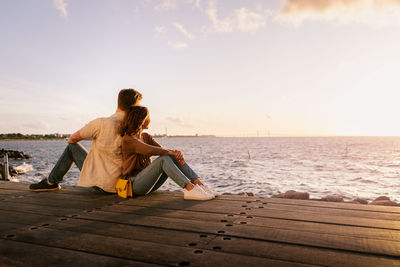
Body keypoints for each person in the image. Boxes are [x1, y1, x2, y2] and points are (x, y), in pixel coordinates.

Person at [29, 88, 142, 193]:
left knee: (71, 148)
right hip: (121, 187)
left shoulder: (101, 123)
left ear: (119, 102)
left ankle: (51, 182)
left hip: (100, 185)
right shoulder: (135, 129)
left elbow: (72, 139)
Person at [120, 105, 218, 200]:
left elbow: (163, 150)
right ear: (141, 120)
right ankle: (190, 189)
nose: (150, 120)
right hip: (134, 185)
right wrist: (171, 152)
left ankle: (200, 185)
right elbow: (150, 150)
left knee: (170, 156)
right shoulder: (128, 140)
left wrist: (175, 154)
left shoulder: (146, 137)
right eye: (148, 117)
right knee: (165, 158)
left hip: (148, 184)